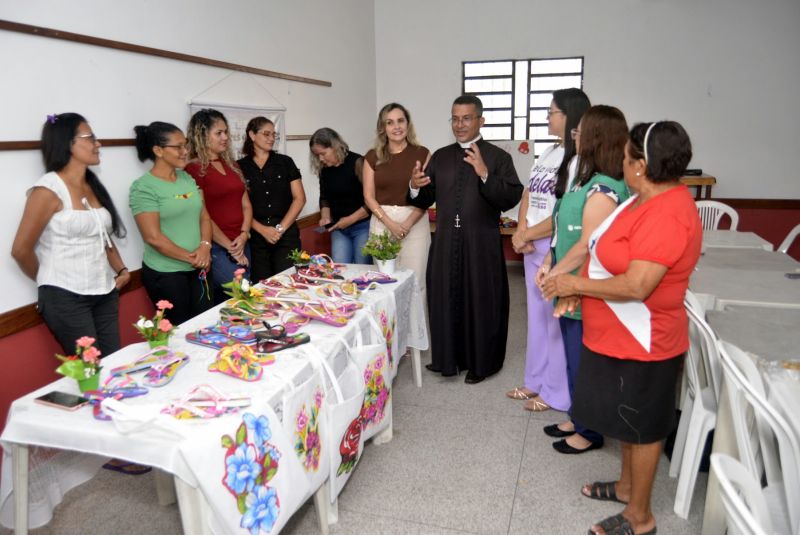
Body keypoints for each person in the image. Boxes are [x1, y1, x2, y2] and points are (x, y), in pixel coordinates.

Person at [543, 121, 700, 535]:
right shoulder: (640, 199)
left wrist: (575, 284)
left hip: (646, 341)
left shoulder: (667, 213)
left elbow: (638, 284)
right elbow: (602, 253)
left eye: (629, 157)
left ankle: (640, 516)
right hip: (617, 335)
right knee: (628, 420)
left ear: (642, 166)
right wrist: (585, 291)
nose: (623, 163)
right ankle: (628, 486)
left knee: (643, 425)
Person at [409, 95, 523, 384]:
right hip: (447, 241)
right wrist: (413, 187)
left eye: (466, 118)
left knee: (481, 301)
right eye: (455, 118)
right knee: (446, 297)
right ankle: (448, 358)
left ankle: (481, 363)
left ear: (480, 120)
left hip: (481, 244)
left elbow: (511, 195)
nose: (460, 125)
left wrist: (485, 174)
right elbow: (426, 197)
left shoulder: (498, 157)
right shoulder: (442, 156)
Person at [538, 105, 631, 454]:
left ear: (597, 137)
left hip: (585, 288)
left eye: (581, 131)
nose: (574, 136)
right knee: (573, 357)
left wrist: (554, 274)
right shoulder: (584, 179)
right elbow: (563, 227)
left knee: (586, 363)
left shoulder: (606, 188)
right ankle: (578, 417)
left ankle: (590, 431)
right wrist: (549, 260)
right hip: (569, 284)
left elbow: (586, 246)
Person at [11, 113, 129, 356]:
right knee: (91, 372)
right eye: (91, 138)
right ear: (67, 143)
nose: (98, 144)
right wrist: (52, 284)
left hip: (105, 292)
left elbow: (103, 235)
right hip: (65, 298)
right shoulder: (47, 190)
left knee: (115, 363)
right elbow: (21, 250)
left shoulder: (92, 184)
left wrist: (122, 270)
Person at [507, 88, 590, 413]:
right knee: (536, 318)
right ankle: (535, 380)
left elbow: (565, 214)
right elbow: (530, 191)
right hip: (530, 241)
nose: (547, 117)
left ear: (569, 116)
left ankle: (556, 392)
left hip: (556, 246)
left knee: (556, 321)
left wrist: (530, 232)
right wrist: (519, 230)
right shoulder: (550, 152)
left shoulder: (578, 159)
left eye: (552, 111)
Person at [129, 121, 214, 325]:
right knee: (180, 333)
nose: (185, 151)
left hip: (198, 268)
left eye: (185, 145)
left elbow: (204, 217)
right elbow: (153, 237)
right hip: (167, 275)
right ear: (158, 150)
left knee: (206, 326)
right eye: (178, 147)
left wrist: (205, 247)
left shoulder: (187, 178)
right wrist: (193, 258)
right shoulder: (144, 188)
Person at [185, 108, 253, 304]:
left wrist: (244, 234)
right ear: (202, 136)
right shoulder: (194, 169)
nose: (225, 137)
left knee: (240, 299)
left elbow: (246, 205)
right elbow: (202, 215)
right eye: (218, 133)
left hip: (241, 242)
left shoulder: (232, 165)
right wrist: (231, 248)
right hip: (218, 246)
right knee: (242, 297)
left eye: (226, 132)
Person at [363, 103, 431, 287]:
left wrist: (407, 223)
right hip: (381, 222)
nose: (397, 127)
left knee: (416, 283)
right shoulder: (371, 156)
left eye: (400, 120)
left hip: (414, 223)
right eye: (390, 122)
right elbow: (368, 197)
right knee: (385, 284)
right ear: (383, 128)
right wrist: (390, 223)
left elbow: (427, 196)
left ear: (408, 124)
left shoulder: (423, 153)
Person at [238, 117, 306, 280]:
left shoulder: (285, 162)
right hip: (256, 237)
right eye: (266, 134)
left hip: (286, 234)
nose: (271, 139)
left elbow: (299, 199)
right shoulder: (239, 167)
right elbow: (241, 206)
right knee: (262, 286)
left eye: (273, 135)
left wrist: (279, 229)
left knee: (289, 282)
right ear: (252, 135)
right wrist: (262, 230)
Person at [309, 127, 370, 264]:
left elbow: (371, 201)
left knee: (362, 269)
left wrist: (350, 219)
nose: (320, 159)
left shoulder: (358, 162)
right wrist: (325, 217)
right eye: (317, 155)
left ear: (335, 146)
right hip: (339, 229)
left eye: (323, 153)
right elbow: (324, 197)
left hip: (363, 227)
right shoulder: (324, 170)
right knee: (339, 268)